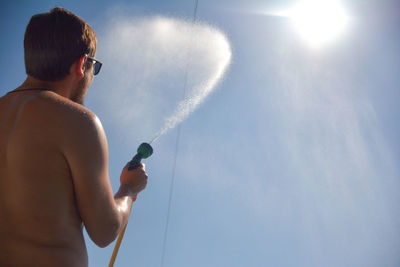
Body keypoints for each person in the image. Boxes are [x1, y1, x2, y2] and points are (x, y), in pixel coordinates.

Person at [0, 7, 148, 267]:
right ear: (82, 64)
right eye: (95, 67)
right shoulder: (78, 121)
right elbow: (105, 230)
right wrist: (128, 188)